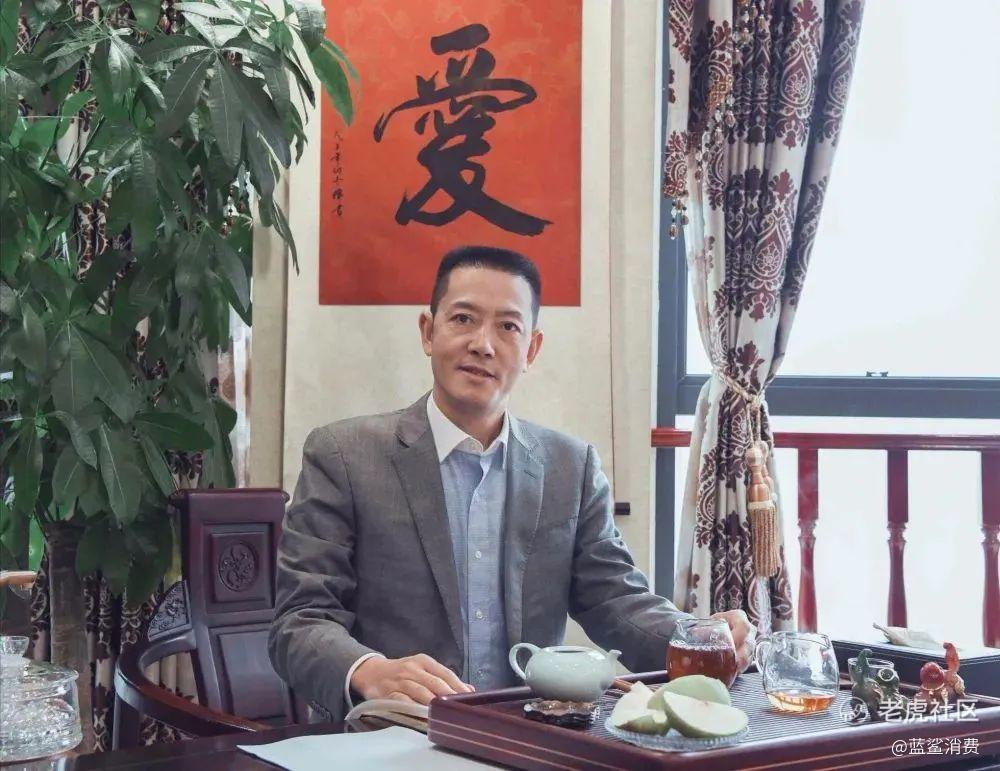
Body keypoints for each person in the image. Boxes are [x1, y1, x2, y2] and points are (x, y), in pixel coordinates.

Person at [268, 245, 753, 721]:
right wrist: (370, 670)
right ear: (428, 331)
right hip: (390, 733)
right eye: (463, 319)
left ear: (531, 349)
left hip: (529, 737)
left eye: (508, 327)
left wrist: (698, 636)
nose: (483, 344)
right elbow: (300, 621)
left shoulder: (571, 466)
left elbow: (614, 599)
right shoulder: (344, 456)